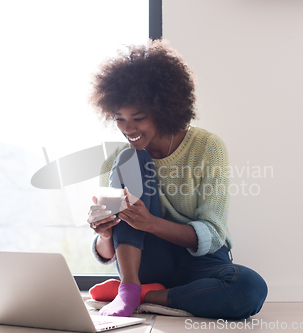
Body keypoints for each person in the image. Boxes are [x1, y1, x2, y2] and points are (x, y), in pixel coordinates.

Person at [86, 39, 267, 320]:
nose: (128, 129)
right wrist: (104, 233)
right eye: (119, 119)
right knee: (132, 160)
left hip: (200, 262)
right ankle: (130, 287)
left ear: (163, 110)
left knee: (249, 288)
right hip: (147, 260)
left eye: (138, 117)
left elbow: (214, 232)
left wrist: (152, 222)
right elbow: (107, 252)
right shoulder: (120, 161)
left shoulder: (208, 147)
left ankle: (143, 295)